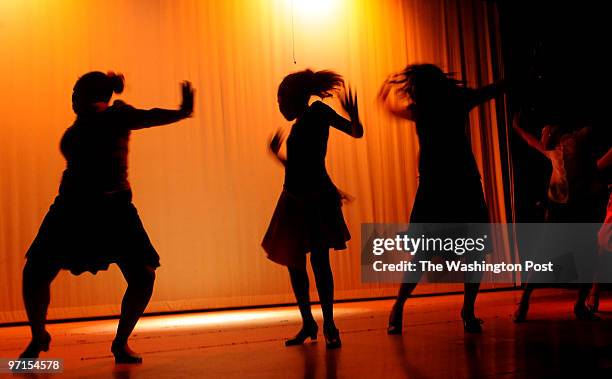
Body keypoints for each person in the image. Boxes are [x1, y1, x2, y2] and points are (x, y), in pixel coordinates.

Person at [20, 71, 194, 364]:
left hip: (111, 209)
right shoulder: (84, 123)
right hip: (73, 207)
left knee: (142, 275)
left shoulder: (116, 116)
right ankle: (39, 336)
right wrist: (180, 112)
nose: (71, 99)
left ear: (85, 95)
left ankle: (119, 343)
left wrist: (180, 112)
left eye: (75, 93)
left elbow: (148, 116)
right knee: (36, 272)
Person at [378, 63, 505, 334]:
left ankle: (463, 310)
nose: (410, 90)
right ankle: (401, 306)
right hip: (443, 187)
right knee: (435, 253)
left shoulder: (439, 104)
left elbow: (493, 90)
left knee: (466, 253)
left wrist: (384, 98)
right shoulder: (431, 106)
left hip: (455, 185)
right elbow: (493, 90)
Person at [262, 69, 363, 349]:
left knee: (319, 262)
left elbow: (356, 132)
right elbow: (299, 166)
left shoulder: (318, 112)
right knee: (295, 264)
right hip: (295, 198)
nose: (279, 105)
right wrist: (278, 156)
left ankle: (329, 323)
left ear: (293, 98)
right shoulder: (301, 122)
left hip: (314, 199)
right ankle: (309, 322)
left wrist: (354, 115)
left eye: (280, 99)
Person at [511, 112, 606, 322]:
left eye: (545, 132)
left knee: (587, 256)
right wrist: (518, 128)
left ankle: (580, 304)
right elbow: (532, 142)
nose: (543, 136)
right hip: (560, 209)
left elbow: (593, 129)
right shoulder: (552, 152)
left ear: (555, 132)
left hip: (579, 208)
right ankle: (525, 302)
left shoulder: (577, 139)